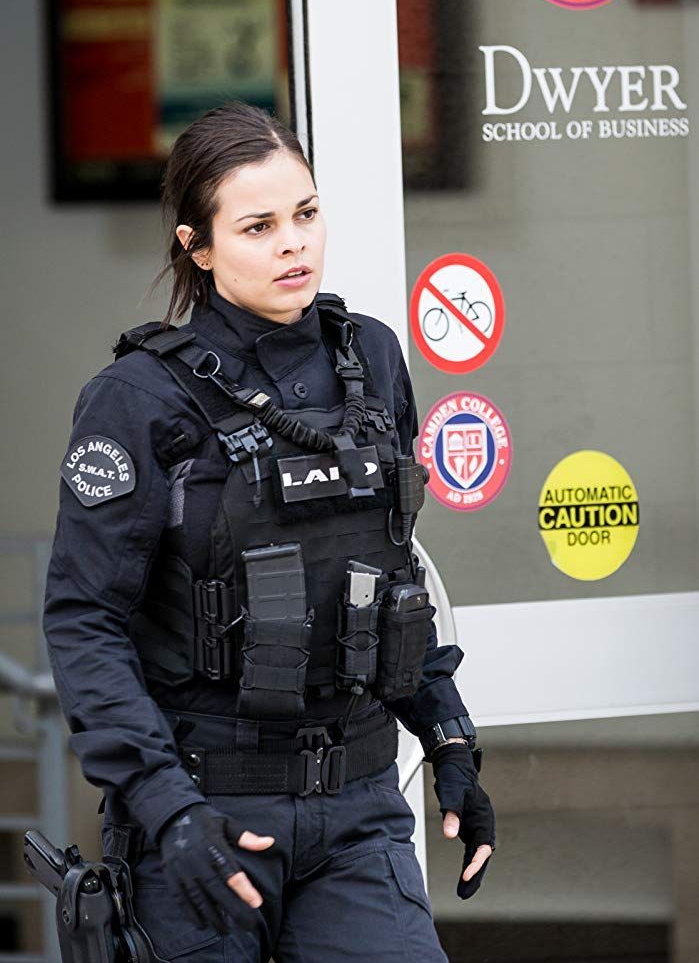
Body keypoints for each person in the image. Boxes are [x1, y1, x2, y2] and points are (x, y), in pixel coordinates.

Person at [43, 100, 495, 962]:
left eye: (305, 214)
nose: (294, 243)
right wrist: (165, 810)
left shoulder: (372, 356)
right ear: (197, 245)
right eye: (258, 226)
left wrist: (447, 735)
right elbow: (84, 622)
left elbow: (387, 571)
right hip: (208, 818)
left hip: (359, 817)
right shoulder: (139, 400)